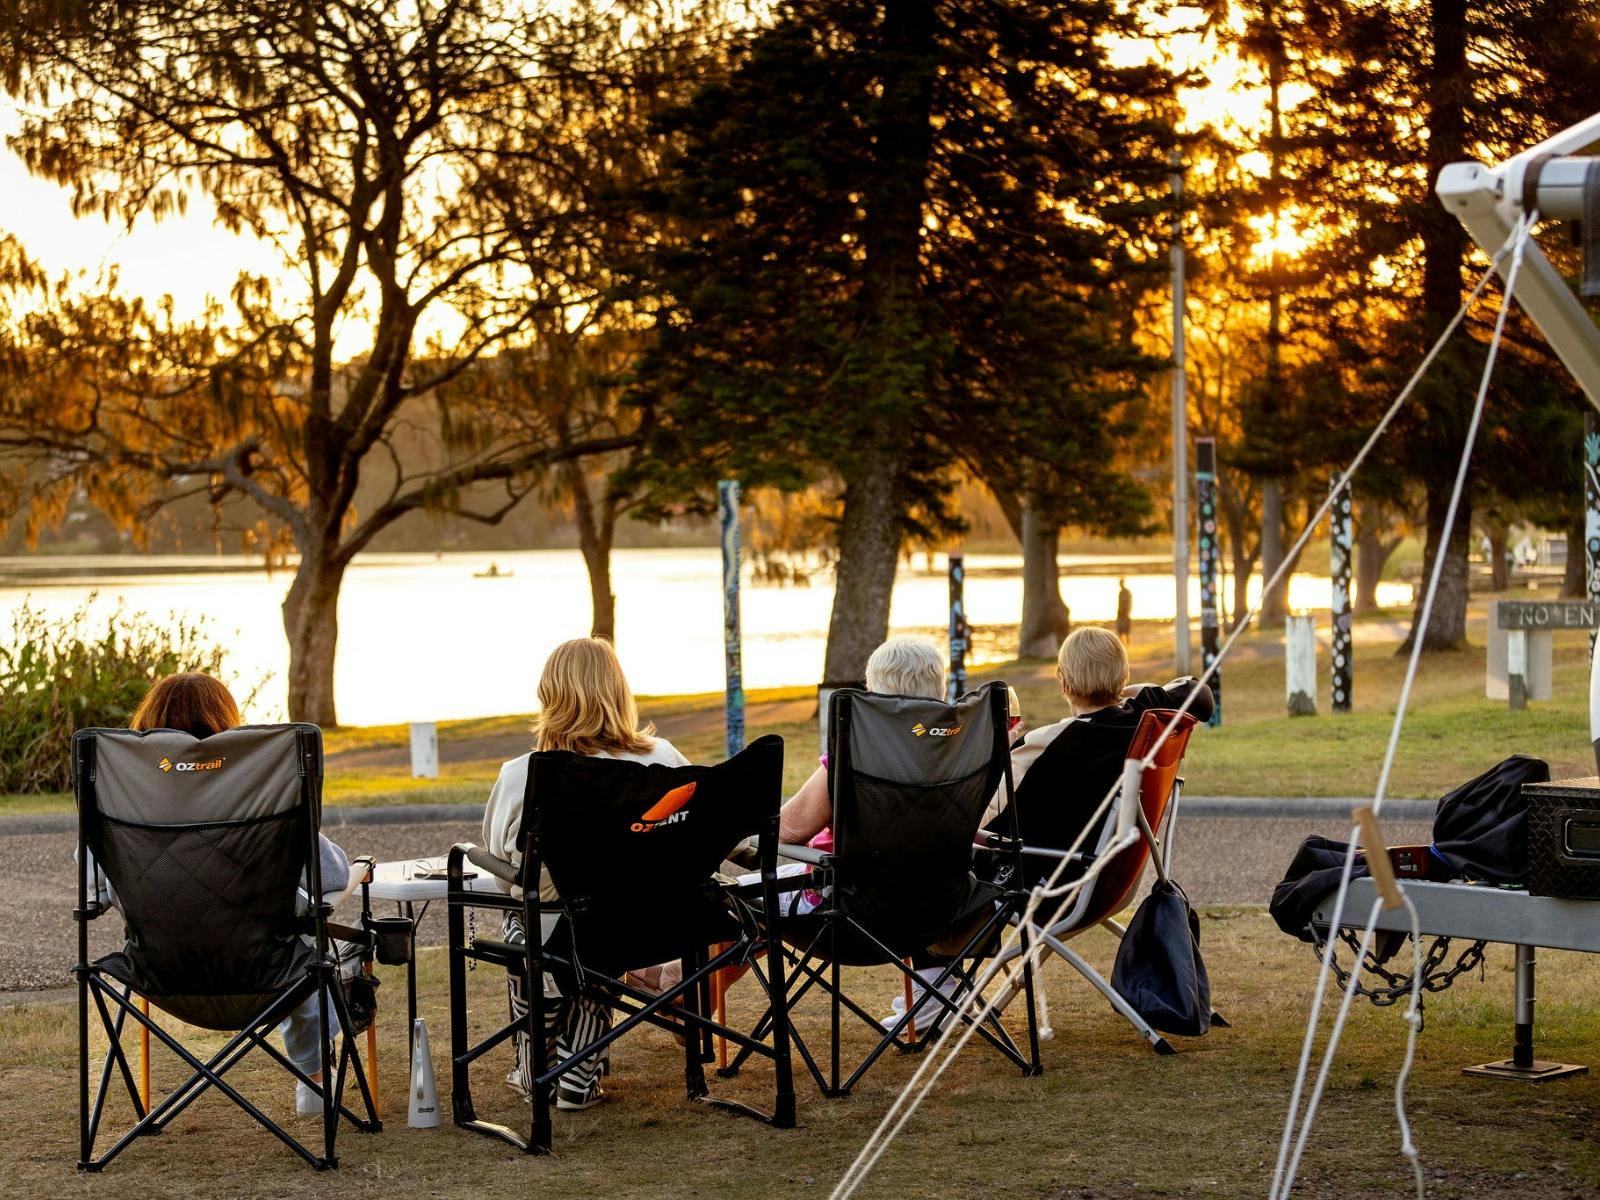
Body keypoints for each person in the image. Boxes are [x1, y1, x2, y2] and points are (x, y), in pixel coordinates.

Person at [82, 672, 351, 1118]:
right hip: (266, 973)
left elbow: (92, 889)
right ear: (224, 723)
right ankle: (315, 1077)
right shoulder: (258, 788)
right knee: (322, 937)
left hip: (160, 971)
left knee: (295, 938)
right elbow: (334, 874)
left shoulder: (118, 798)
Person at [481, 637, 689, 1113]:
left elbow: (504, 870)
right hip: (644, 930)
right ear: (620, 693)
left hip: (556, 934)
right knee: (598, 936)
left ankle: (536, 1062)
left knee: (530, 918)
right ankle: (579, 1074)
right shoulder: (664, 760)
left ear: (550, 697)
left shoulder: (524, 773)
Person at [985, 627, 1213, 887]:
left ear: (1063, 683)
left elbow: (984, 822)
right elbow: (1201, 696)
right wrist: (1117, 689)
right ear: (1123, 676)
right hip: (1110, 882)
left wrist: (999, 756)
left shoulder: (1042, 744)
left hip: (1047, 887)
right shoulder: (1146, 720)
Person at [1115, 578, 1133, 646]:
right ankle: (1121, 644)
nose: (1120, 585)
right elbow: (1119, 603)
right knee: (1120, 630)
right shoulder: (1121, 592)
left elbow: (1129, 603)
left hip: (1125, 614)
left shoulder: (1126, 592)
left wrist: (1127, 612)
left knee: (1126, 630)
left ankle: (1127, 644)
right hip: (1120, 613)